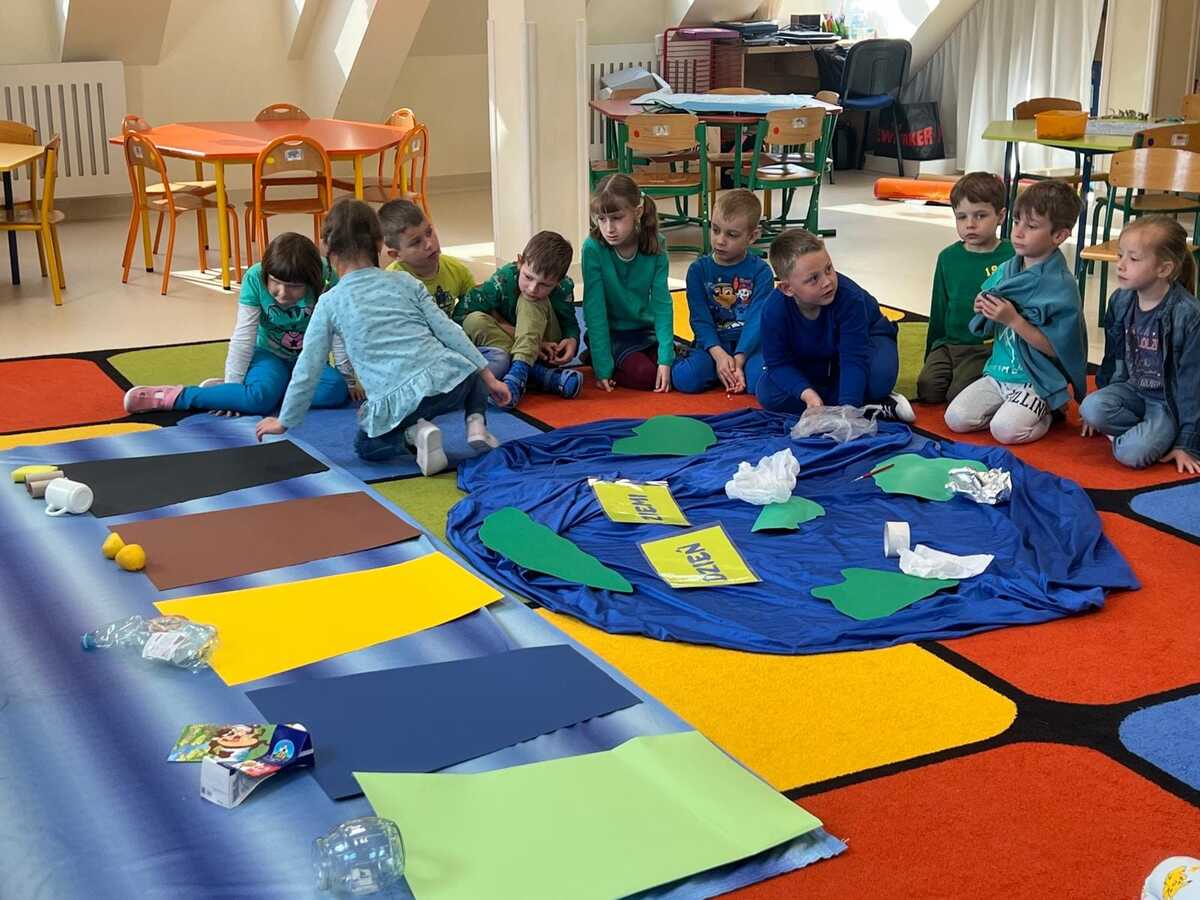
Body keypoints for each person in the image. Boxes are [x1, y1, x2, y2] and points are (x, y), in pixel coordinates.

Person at [255, 199, 510, 476]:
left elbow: (309, 366)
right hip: (446, 382)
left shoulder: (329, 302)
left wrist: (284, 420)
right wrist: (489, 379)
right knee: (470, 372)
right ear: (379, 243)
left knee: (366, 447)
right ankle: (476, 425)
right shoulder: (406, 281)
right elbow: (450, 331)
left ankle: (414, 435)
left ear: (326, 247)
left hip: (397, 403)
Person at [123, 233, 356, 415]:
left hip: (309, 358)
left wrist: (348, 379)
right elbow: (244, 337)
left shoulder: (328, 280)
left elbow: (339, 333)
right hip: (268, 355)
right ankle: (176, 397)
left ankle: (249, 391)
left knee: (335, 391)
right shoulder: (254, 277)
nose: (282, 293)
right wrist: (233, 387)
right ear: (266, 275)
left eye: (294, 287)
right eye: (276, 282)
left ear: (311, 281)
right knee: (257, 401)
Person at [944, 180, 1087, 444]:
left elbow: (1059, 348)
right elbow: (987, 300)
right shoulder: (1008, 268)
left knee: (1005, 430)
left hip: (1034, 379)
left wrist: (1013, 320)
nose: (1018, 232)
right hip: (998, 374)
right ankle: (1016, 409)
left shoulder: (1061, 286)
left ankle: (1049, 410)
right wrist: (982, 305)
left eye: (1031, 226)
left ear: (1058, 236)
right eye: (1017, 221)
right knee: (956, 418)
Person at [754, 228, 915, 421]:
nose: (827, 282)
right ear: (787, 288)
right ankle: (869, 404)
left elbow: (854, 357)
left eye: (829, 269)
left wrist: (848, 410)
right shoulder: (773, 310)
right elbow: (778, 363)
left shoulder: (850, 298)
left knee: (879, 379)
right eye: (813, 278)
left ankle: (862, 399)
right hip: (820, 356)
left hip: (869, 338)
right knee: (767, 392)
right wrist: (808, 395)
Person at [1080, 215, 1200, 472]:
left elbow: (1193, 384)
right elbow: (1112, 358)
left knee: (1132, 454)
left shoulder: (1188, 315)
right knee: (1090, 408)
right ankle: (1151, 435)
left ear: (1163, 269)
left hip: (1167, 404)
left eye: (1133, 259)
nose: (1121, 265)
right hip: (1132, 390)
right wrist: (1099, 405)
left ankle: (1158, 436)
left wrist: (1187, 443)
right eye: (1120, 255)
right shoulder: (1120, 300)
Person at [916, 172, 1014, 404]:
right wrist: (932, 352)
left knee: (957, 394)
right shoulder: (948, 257)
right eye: (961, 217)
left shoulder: (1012, 256)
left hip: (986, 347)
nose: (970, 224)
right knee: (928, 389)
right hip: (949, 345)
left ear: (1000, 216)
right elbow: (939, 309)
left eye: (980, 215)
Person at [455, 230, 582, 406]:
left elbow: (570, 324)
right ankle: (537, 374)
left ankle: (518, 376)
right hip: (512, 344)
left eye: (544, 284)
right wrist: (526, 339)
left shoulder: (564, 288)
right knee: (473, 320)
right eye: (528, 277)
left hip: (546, 347)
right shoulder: (503, 278)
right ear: (520, 262)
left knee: (531, 300)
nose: (532, 288)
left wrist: (571, 340)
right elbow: (461, 314)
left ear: (558, 282)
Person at [672, 189, 774, 394]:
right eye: (715, 229)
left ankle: (731, 371)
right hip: (713, 346)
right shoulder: (698, 270)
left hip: (750, 347)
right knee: (686, 378)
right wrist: (719, 355)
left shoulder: (762, 272)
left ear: (752, 236)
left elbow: (757, 321)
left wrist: (739, 359)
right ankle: (709, 364)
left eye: (731, 235)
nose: (720, 240)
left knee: (761, 381)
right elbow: (700, 319)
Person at [581, 173, 674, 393]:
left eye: (617, 218)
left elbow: (662, 304)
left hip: (644, 330)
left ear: (637, 212)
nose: (609, 229)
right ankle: (595, 355)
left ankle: (623, 358)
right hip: (613, 333)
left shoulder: (656, 244)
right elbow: (595, 310)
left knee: (675, 370)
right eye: (602, 219)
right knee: (646, 376)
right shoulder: (593, 249)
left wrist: (666, 359)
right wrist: (603, 368)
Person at [378, 198, 475, 318]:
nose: (429, 244)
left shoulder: (456, 269)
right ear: (396, 255)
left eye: (429, 232)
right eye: (416, 242)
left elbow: (475, 303)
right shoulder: (391, 285)